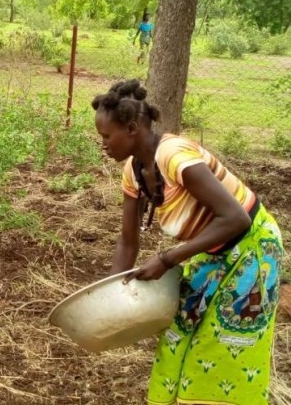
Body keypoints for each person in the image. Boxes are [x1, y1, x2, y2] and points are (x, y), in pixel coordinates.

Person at [92, 79, 282, 405]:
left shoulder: (175, 156)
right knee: (179, 334)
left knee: (223, 345)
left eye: (107, 137)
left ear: (132, 128)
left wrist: (167, 259)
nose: (103, 145)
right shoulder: (133, 171)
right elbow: (127, 242)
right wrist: (107, 298)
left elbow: (235, 218)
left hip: (251, 248)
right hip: (211, 250)